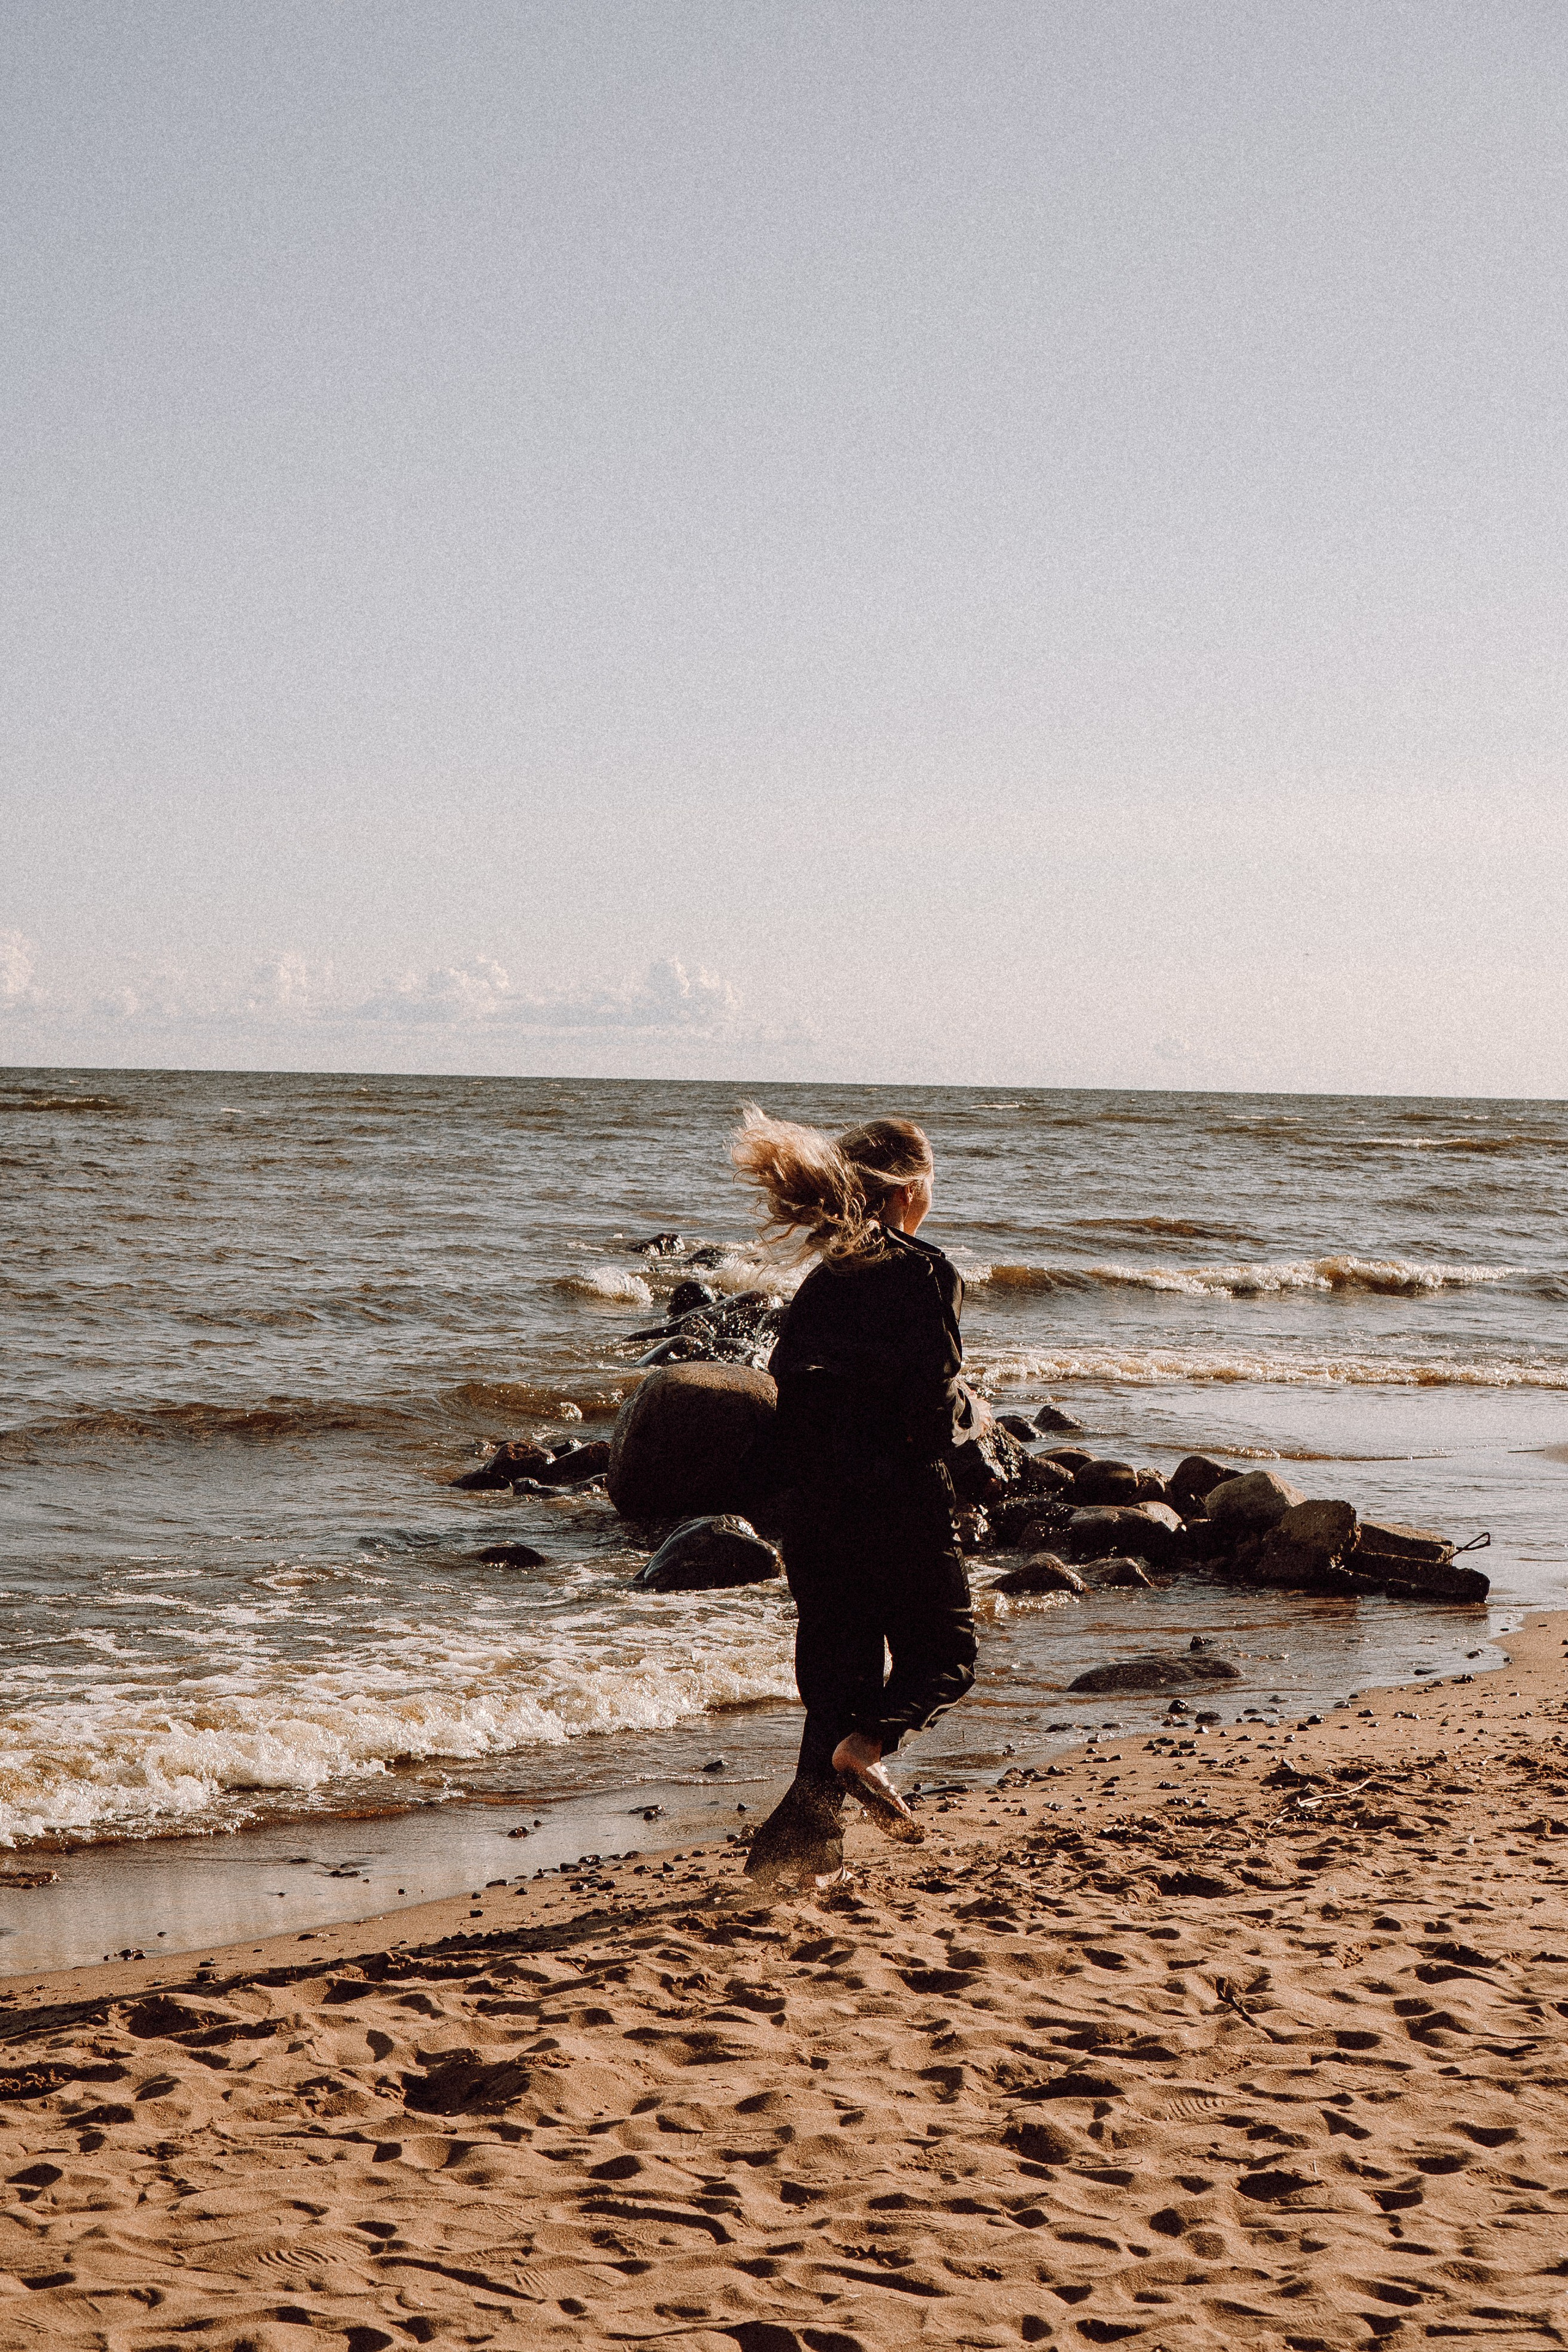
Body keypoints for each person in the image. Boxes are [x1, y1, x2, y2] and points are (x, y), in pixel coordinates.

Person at [730, 1105, 981, 1883]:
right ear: (910, 1189)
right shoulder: (924, 1270)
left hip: (811, 1504)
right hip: (898, 1497)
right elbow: (931, 1410)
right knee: (944, 1659)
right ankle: (864, 1752)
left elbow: (789, 1396)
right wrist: (973, 1438)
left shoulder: (821, 1281)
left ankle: (798, 1859)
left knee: (836, 1680)